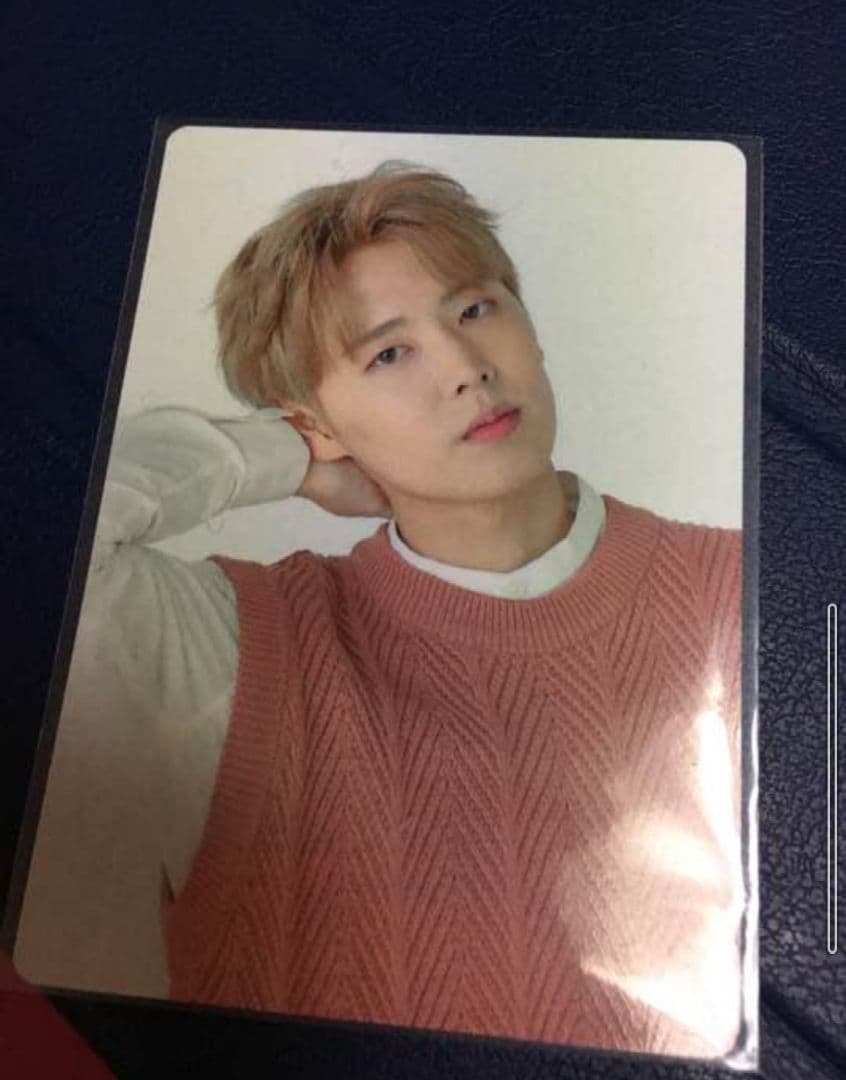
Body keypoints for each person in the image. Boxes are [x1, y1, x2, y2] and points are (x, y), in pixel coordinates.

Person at [14, 161, 746, 1061]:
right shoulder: (242, 648)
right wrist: (284, 459)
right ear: (314, 421)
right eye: (389, 353)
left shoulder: (741, 590)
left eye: (475, 308)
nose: (469, 369)